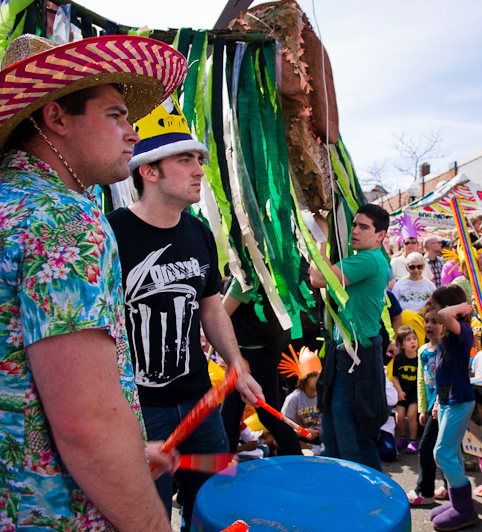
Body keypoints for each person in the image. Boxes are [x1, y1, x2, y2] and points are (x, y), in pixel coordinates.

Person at [0, 33, 186, 530]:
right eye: (115, 114)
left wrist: (125, 451)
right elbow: (87, 425)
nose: (133, 132)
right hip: (51, 513)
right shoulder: (62, 220)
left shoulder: (11, 202)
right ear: (56, 117)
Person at [107, 97, 264, 530]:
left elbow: (211, 307)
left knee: (213, 506)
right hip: (139, 411)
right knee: (147, 515)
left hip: (200, 401)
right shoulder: (111, 233)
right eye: (186, 159)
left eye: (199, 158)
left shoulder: (197, 231)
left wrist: (236, 363)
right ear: (149, 170)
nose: (199, 169)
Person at [309, 204, 391, 471]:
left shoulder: (368, 259)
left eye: (364, 227)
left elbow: (319, 278)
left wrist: (320, 238)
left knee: (353, 439)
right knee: (332, 434)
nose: (355, 231)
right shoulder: (365, 257)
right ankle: (342, 496)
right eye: (354, 225)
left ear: (380, 236)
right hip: (345, 353)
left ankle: (369, 505)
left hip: (357, 357)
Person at [220, 278, 302, 457]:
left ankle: (298, 462)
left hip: (254, 354)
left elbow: (222, 313)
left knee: (265, 414)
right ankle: (225, 469)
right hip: (255, 351)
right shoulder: (254, 268)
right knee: (231, 414)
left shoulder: (246, 275)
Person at [427, 285, 479, 530]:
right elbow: (441, 375)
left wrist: (462, 307)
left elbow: (446, 316)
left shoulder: (463, 332)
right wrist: (438, 401)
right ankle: (459, 502)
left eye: (437, 308)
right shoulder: (447, 336)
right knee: (451, 452)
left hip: (460, 400)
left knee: (442, 452)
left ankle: (464, 509)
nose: (435, 314)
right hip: (448, 401)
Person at [407, 307, 447, 506]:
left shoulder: (447, 349)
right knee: (441, 448)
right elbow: (421, 382)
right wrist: (423, 408)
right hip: (431, 407)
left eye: (435, 321)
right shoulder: (423, 351)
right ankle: (449, 488)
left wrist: (438, 402)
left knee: (428, 448)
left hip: (446, 406)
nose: (430, 326)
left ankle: (425, 491)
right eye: (427, 321)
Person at [281, 347, 323, 455]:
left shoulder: (323, 395)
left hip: (322, 439)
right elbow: (284, 430)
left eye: (320, 375)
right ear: (305, 379)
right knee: (279, 442)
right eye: (314, 376)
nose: (318, 379)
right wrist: (303, 433)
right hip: (302, 439)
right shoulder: (293, 399)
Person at [392, 326, 421, 453]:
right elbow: (394, 376)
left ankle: (413, 440)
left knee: (411, 415)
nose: (413, 342)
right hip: (402, 393)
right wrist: (399, 391)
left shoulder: (420, 358)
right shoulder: (398, 359)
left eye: (414, 338)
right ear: (402, 345)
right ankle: (402, 436)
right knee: (399, 416)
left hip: (415, 393)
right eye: (408, 340)